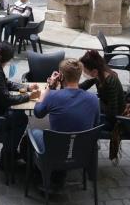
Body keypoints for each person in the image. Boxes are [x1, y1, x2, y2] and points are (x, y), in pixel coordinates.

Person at [32, 58, 100, 186]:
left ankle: (40, 174)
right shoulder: (93, 99)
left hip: (56, 152)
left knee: (33, 131)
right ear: (79, 76)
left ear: (61, 76)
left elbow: (38, 112)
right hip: (82, 153)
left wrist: (49, 88)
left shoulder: (53, 96)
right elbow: (95, 125)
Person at [79, 50, 124, 131]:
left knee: (83, 122)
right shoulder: (98, 74)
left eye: (84, 71)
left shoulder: (110, 81)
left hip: (114, 119)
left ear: (94, 71)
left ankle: (89, 142)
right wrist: (67, 83)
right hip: (105, 109)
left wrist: (95, 105)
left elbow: (112, 113)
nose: (83, 73)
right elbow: (83, 86)